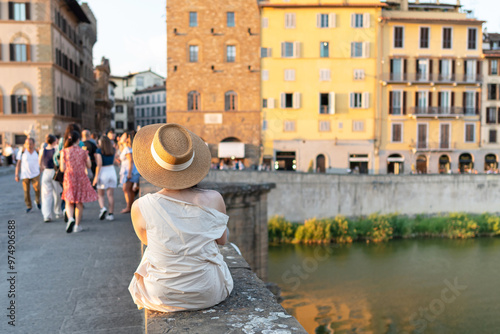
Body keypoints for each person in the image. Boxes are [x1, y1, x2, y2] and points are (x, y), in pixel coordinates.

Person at [128, 123, 233, 312]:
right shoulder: (214, 199)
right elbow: (222, 240)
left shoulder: (140, 206)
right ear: (193, 165)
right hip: (208, 291)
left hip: (160, 295)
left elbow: (147, 242)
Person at [60, 131, 98, 233]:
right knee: (79, 202)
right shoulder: (83, 151)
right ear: (78, 140)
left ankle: (70, 218)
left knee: (69, 200)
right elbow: (89, 166)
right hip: (80, 177)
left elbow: (62, 168)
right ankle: (77, 225)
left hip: (69, 177)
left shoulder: (64, 151)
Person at [39, 134, 63, 222]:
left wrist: (42, 170)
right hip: (54, 172)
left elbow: (40, 163)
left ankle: (47, 215)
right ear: (54, 141)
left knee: (45, 195)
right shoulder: (56, 149)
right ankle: (58, 211)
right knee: (57, 193)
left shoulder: (42, 150)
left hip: (46, 172)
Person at [93, 135, 117, 221]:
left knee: (100, 194)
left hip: (103, 172)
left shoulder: (99, 151)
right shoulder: (113, 150)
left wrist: (96, 177)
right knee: (110, 195)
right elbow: (114, 161)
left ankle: (103, 208)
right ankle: (111, 214)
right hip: (112, 171)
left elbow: (99, 164)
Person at [15, 138, 41, 213]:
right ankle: (29, 206)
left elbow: (41, 161)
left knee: (37, 189)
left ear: (34, 144)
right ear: (25, 144)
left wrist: (41, 168)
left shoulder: (37, 152)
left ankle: (37, 201)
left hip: (35, 174)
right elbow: (18, 163)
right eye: (27, 144)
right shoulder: (22, 152)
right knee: (26, 191)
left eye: (30, 143)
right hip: (25, 174)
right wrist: (16, 174)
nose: (29, 145)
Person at [118, 131, 139, 213]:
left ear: (127, 138)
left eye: (123, 136)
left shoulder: (128, 149)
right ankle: (130, 206)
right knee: (129, 190)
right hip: (129, 171)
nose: (121, 137)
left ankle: (128, 207)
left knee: (126, 189)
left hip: (129, 172)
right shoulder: (128, 147)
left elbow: (131, 161)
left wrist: (129, 174)